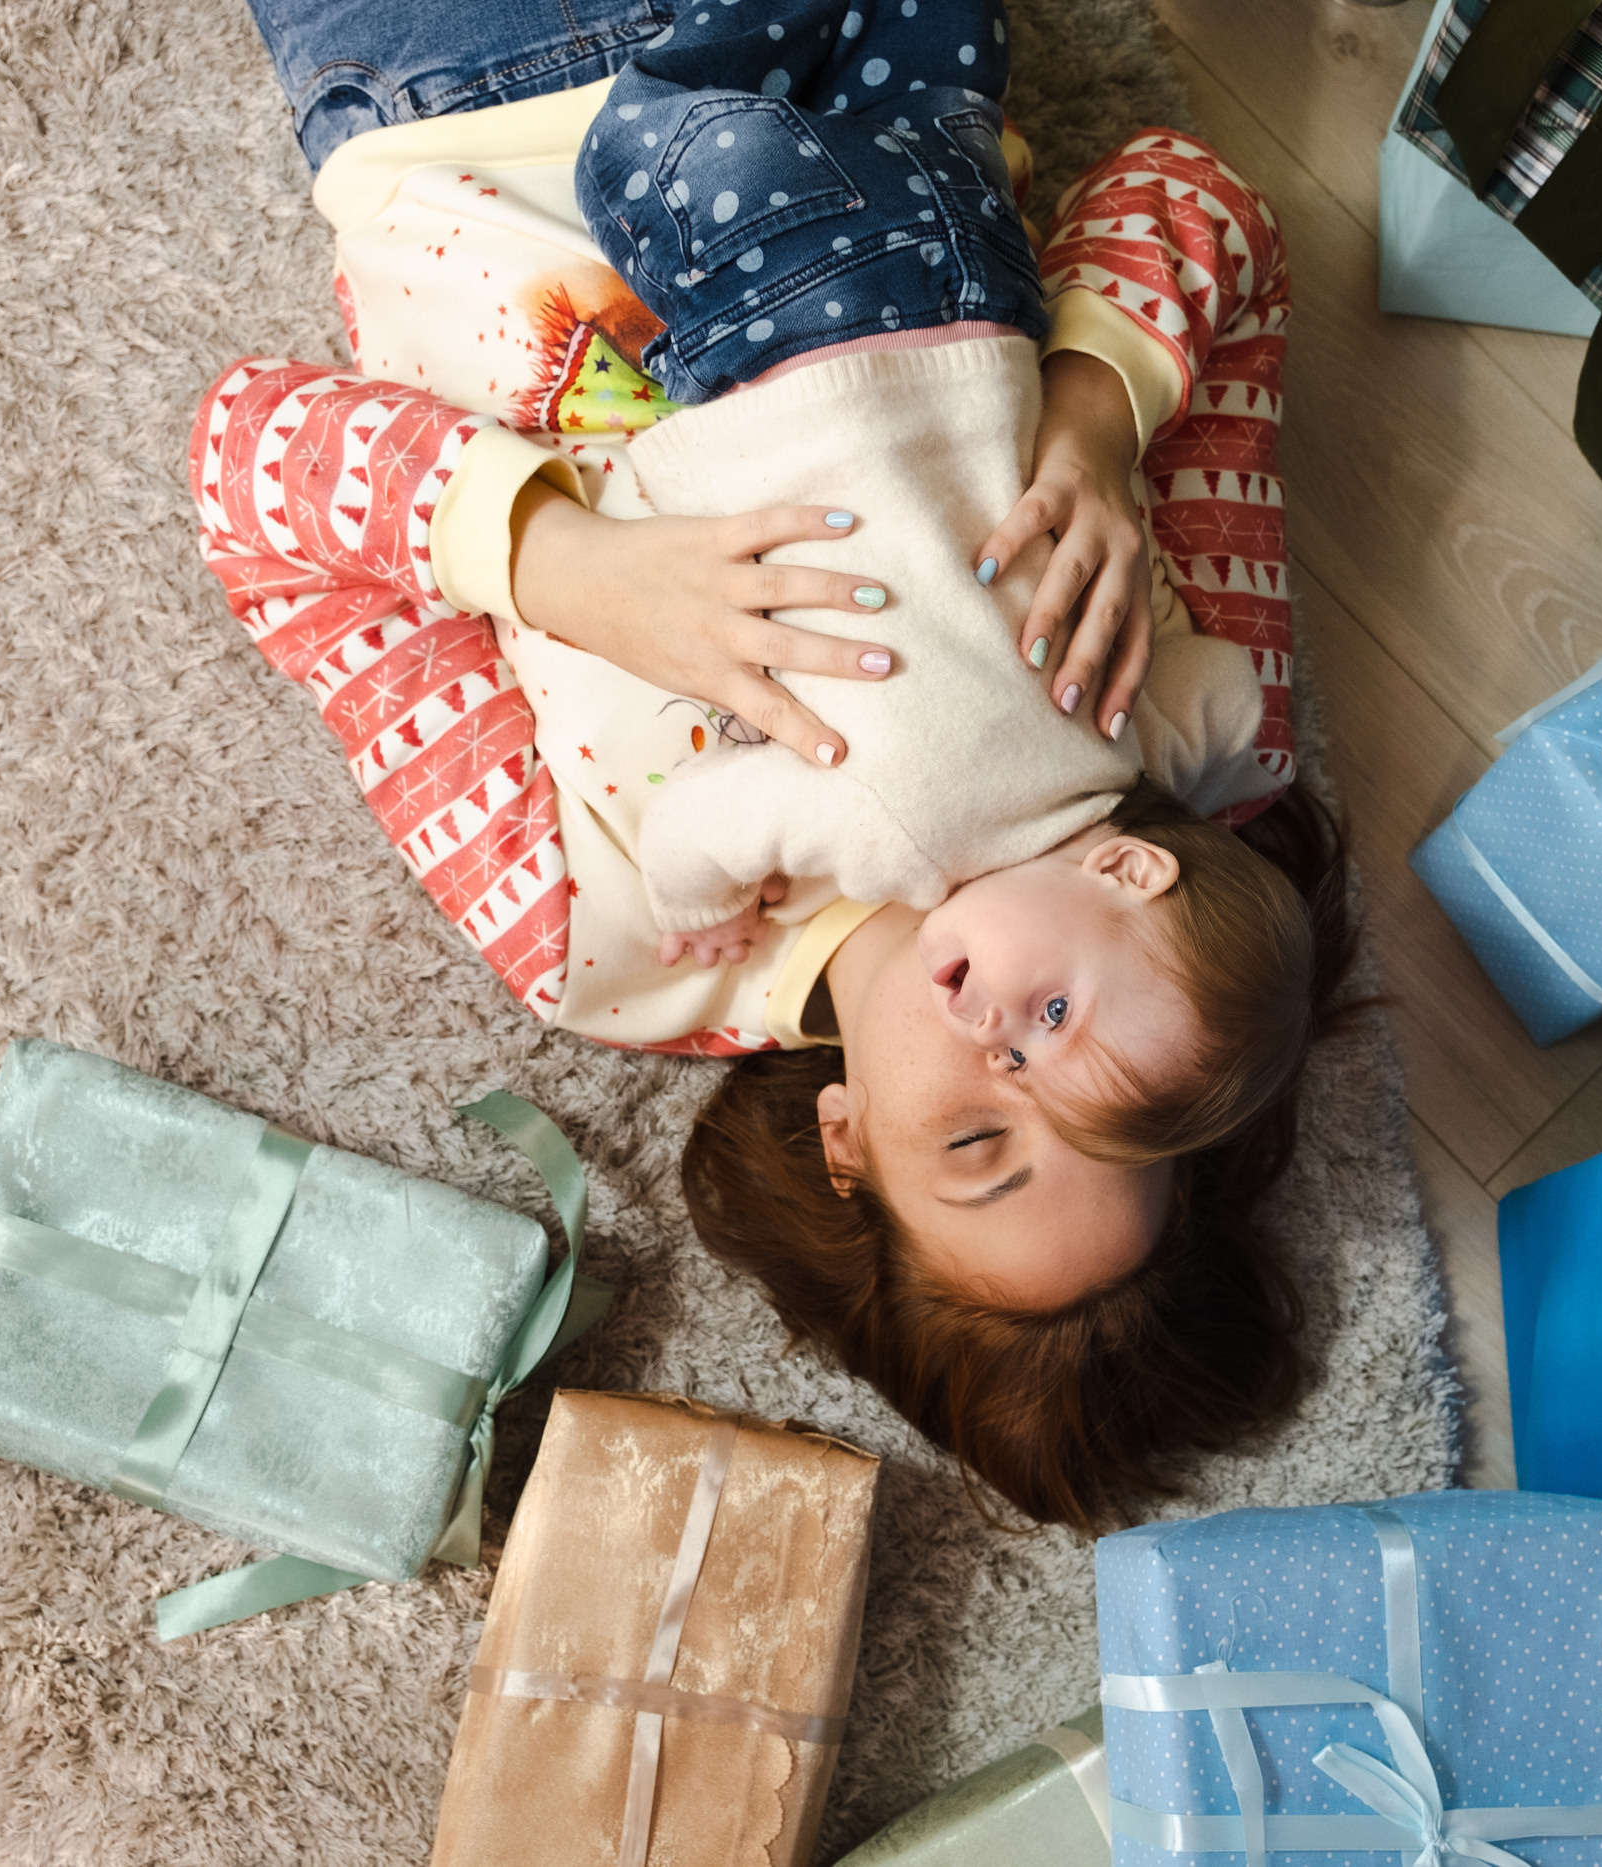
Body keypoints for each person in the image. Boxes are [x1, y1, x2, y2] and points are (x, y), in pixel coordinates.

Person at [210, 0, 1342, 1529]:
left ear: (846, 1147)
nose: (1006, 1047)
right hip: (873, 73)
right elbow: (1201, 207)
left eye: (978, 1139)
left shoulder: (606, 946)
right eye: (1089, 1071)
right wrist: (1095, 423)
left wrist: (575, 573)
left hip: (461, 87)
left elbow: (250, 464)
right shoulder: (1189, 755)